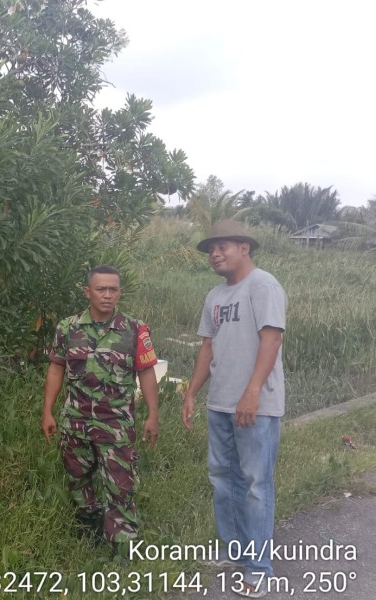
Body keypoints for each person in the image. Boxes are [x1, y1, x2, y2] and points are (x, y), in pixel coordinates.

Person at [182, 220, 286, 599]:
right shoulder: (215, 296)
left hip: (255, 406)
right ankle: (234, 549)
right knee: (223, 479)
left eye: (222, 246)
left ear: (244, 247)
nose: (215, 254)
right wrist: (192, 392)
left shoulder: (263, 285)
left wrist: (252, 392)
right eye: (211, 249)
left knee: (256, 484)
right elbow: (207, 348)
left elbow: (271, 338)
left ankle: (259, 568)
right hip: (220, 404)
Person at [41, 265, 160, 554]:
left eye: (113, 289)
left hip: (116, 424)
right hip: (76, 423)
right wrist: (48, 411)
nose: (108, 295)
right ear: (87, 292)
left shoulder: (134, 329)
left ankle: (121, 546)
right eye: (101, 289)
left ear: (120, 292)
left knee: (120, 486)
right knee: (77, 478)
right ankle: (90, 528)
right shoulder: (68, 328)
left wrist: (153, 416)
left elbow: (146, 373)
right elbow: (56, 368)